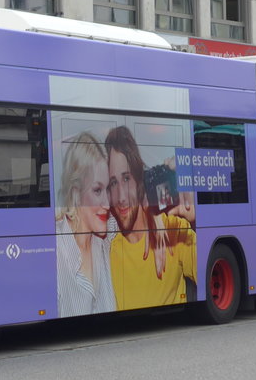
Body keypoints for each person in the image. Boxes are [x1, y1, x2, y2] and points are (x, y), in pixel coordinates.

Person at [104, 126, 196, 310]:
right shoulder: (107, 249)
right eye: (113, 182)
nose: (121, 197)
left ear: (140, 180)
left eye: (126, 178)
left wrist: (197, 219)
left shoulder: (173, 229)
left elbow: (208, 272)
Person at [55, 132, 116, 316]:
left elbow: (139, 210)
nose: (107, 203)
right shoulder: (55, 250)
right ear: (75, 192)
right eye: (97, 190)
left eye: (108, 189)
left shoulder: (106, 237)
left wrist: (158, 217)